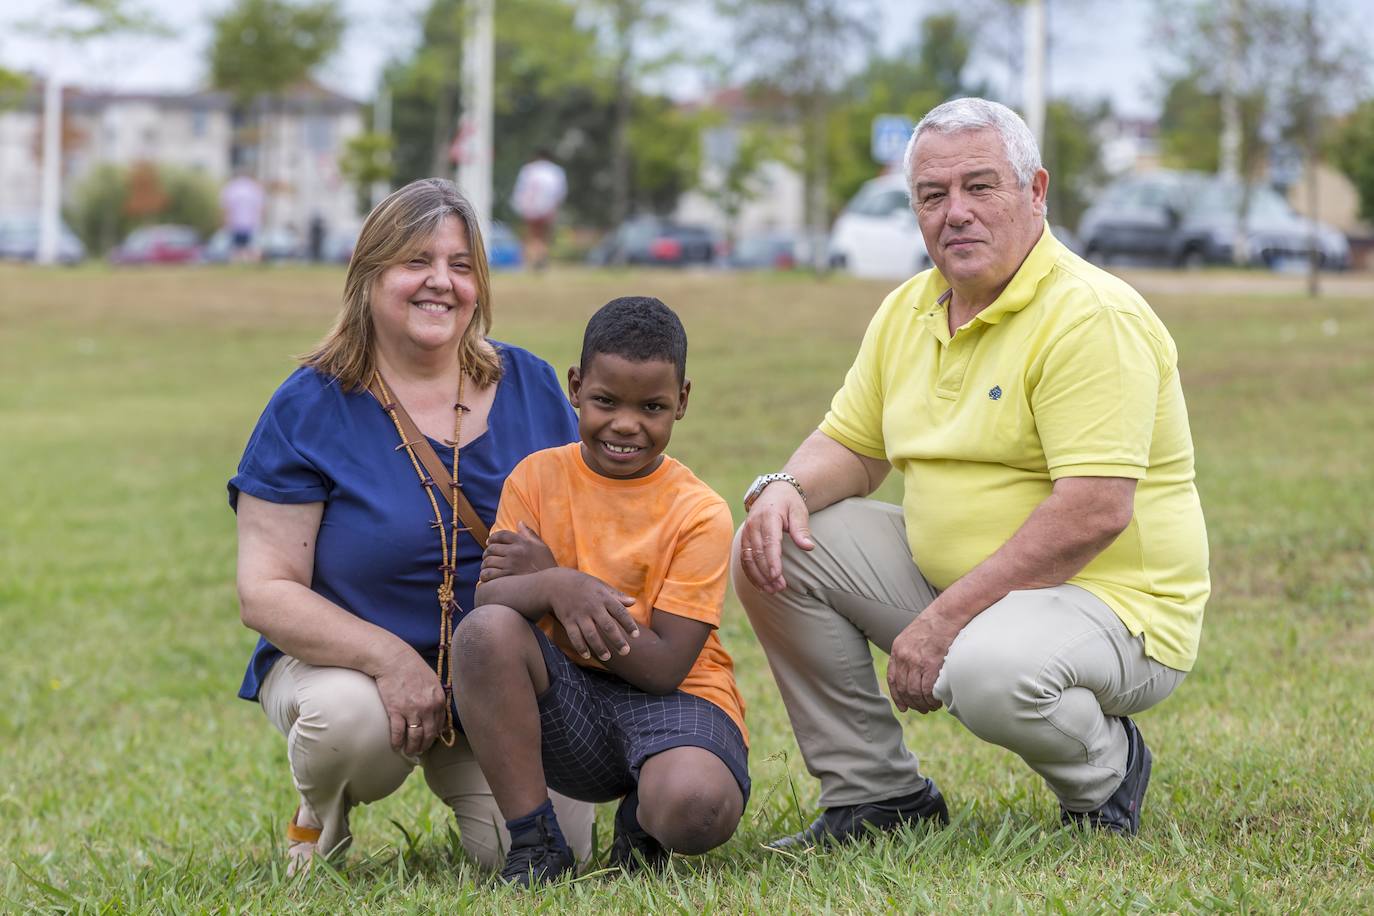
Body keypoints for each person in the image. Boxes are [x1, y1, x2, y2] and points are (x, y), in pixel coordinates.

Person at [733, 98, 1210, 848]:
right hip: (964, 590)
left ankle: (1106, 774)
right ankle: (878, 798)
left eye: (979, 186)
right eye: (932, 194)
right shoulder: (908, 309)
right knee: (774, 542)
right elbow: (854, 448)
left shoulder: (1091, 315)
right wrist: (782, 489)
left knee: (987, 668)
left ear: (1036, 191)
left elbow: (1093, 511)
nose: (954, 212)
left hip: (1114, 605)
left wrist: (944, 623)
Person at [229, 178, 594, 874]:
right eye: (415, 262)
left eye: (460, 265)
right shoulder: (307, 405)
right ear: (369, 276)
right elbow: (265, 591)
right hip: (351, 673)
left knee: (558, 855)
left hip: (495, 677)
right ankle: (320, 821)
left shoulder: (533, 384)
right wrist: (389, 660)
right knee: (347, 724)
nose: (441, 283)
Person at [453, 296, 748, 887]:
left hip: (679, 702)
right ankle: (535, 844)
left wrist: (552, 588)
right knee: (484, 634)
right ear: (575, 387)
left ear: (682, 401)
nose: (626, 424)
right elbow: (491, 606)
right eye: (606, 401)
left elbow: (665, 667)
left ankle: (643, 822)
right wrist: (560, 583)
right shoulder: (536, 478)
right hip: (573, 701)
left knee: (696, 810)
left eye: (653, 406)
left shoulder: (700, 513)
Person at [510, 148, 567, 271]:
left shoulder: (528, 169)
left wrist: (519, 206)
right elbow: (560, 192)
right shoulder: (556, 171)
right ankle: (540, 258)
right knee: (544, 235)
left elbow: (521, 190)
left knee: (531, 234)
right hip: (548, 208)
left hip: (530, 208)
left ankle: (532, 260)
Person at [220, 171, 264, 264]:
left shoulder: (231, 188)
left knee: (236, 250)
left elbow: (226, 208)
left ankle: (237, 266)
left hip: (235, 223)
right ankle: (250, 265)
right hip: (251, 223)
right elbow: (260, 208)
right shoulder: (254, 188)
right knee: (251, 249)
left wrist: (225, 221)